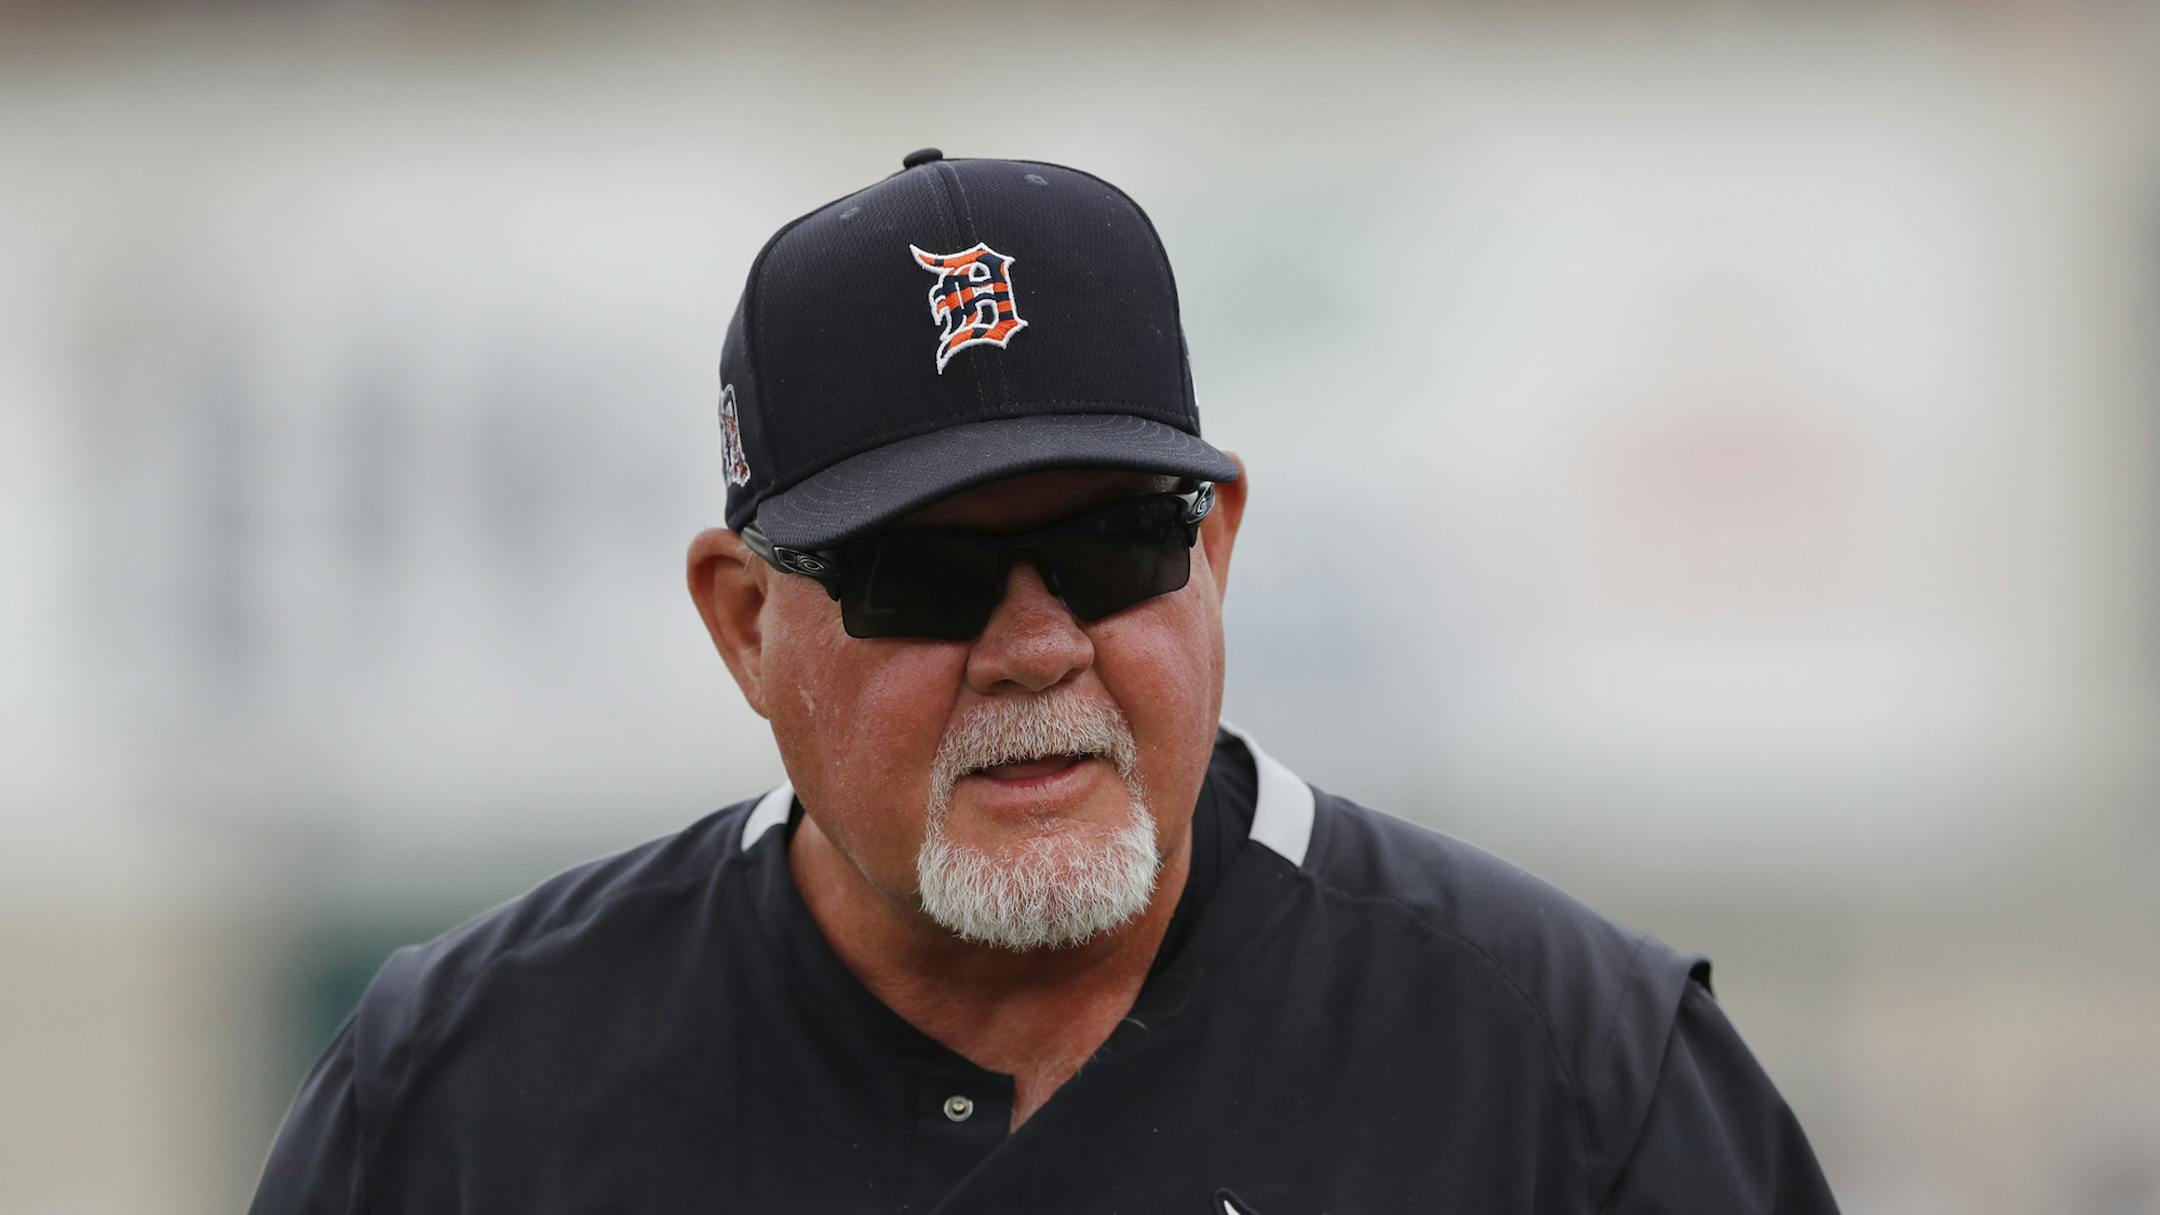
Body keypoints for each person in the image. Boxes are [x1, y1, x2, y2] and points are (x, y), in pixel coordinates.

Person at [251, 149, 1839, 1214]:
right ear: (745, 625)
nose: (1035, 645)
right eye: (923, 576)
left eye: (1111, 545)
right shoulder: (470, 1088)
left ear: (1213, 547)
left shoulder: (1569, 1068)